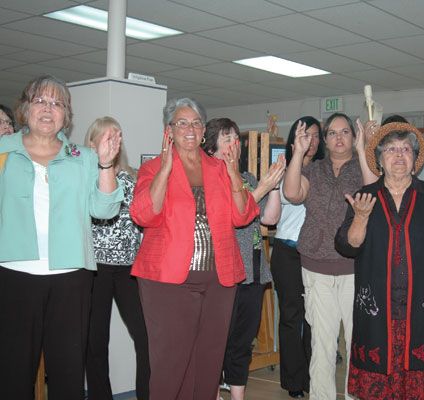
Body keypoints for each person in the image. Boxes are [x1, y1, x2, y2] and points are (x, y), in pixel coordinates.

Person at [0, 75, 123, 400]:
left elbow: (105, 209)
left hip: (71, 279)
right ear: (25, 108)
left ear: (65, 116)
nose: (48, 108)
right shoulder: (2, 151)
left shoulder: (81, 157)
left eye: (57, 103)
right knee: (12, 373)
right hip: (13, 275)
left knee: (67, 374)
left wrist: (106, 164)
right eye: (41, 100)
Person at [130, 98, 259, 400]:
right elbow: (143, 214)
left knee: (209, 361)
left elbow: (242, 216)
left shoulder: (218, 168)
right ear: (169, 130)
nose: (190, 128)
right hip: (167, 280)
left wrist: (234, 170)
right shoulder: (151, 168)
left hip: (218, 278)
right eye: (182, 123)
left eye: (196, 123)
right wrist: (164, 170)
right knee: (171, 363)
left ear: (203, 132)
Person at [335, 122, 424, 400]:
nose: (399, 155)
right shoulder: (365, 197)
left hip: (421, 310)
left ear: (415, 160)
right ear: (381, 160)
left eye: (406, 149)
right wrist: (360, 217)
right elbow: (347, 246)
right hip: (377, 310)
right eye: (392, 150)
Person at [283, 112, 371, 399]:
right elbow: (293, 193)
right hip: (316, 268)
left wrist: (363, 151)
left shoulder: (363, 169)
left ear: (353, 136)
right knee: (322, 345)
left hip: (355, 269)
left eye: (345, 131)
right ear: (324, 139)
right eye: (332, 132)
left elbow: (375, 190)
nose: (338, 137)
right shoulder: (313, 169)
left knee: (358, 343)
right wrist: (298, 153)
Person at [202, 118, 285, 400]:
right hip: (223, 272)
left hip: (254, 272)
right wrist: (261, 189)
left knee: (242, 341)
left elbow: (270, 218)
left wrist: (273, 185)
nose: (233, 143)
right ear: (211, 144)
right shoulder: (206, 178)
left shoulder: (247, 178)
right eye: (226, 137)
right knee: (216, 341)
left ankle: (237, 396)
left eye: (236, 137)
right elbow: (232, 219)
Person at [84, 117, 150, 400]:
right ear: (92, 142)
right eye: (106, 137)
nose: (113, 142)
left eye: (117, 137)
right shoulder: (84, 177)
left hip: (129, 270)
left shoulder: (135, 177)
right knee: (95, 341)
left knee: (146, 337)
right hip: (93, 269)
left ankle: (148, 394)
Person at [270, 116, 324, 398]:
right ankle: (294, 381)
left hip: (316, 252)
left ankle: (314, 377)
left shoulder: (326, 171)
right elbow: (290, 200)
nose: (312, 141)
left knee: (316, 317)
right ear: (295, 139)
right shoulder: (282, 169)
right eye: (306, 135)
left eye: (316, 135)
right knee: (292, 317)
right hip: (287, 251)